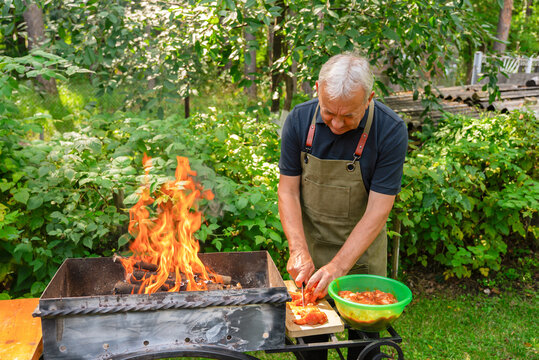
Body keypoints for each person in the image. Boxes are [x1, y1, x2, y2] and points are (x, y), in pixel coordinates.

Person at [278, 53, 408, 360]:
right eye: (328, 112)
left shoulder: (389, 130)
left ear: (369, 98)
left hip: (361, 259)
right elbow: (288, 192)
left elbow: (379, 209)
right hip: (311, 254)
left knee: (365, 350)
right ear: (317, 89)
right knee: (311, 348)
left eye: (348, 116)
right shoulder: (299, 120)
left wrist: (339, 266)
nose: (336, 124)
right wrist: (298, 250)